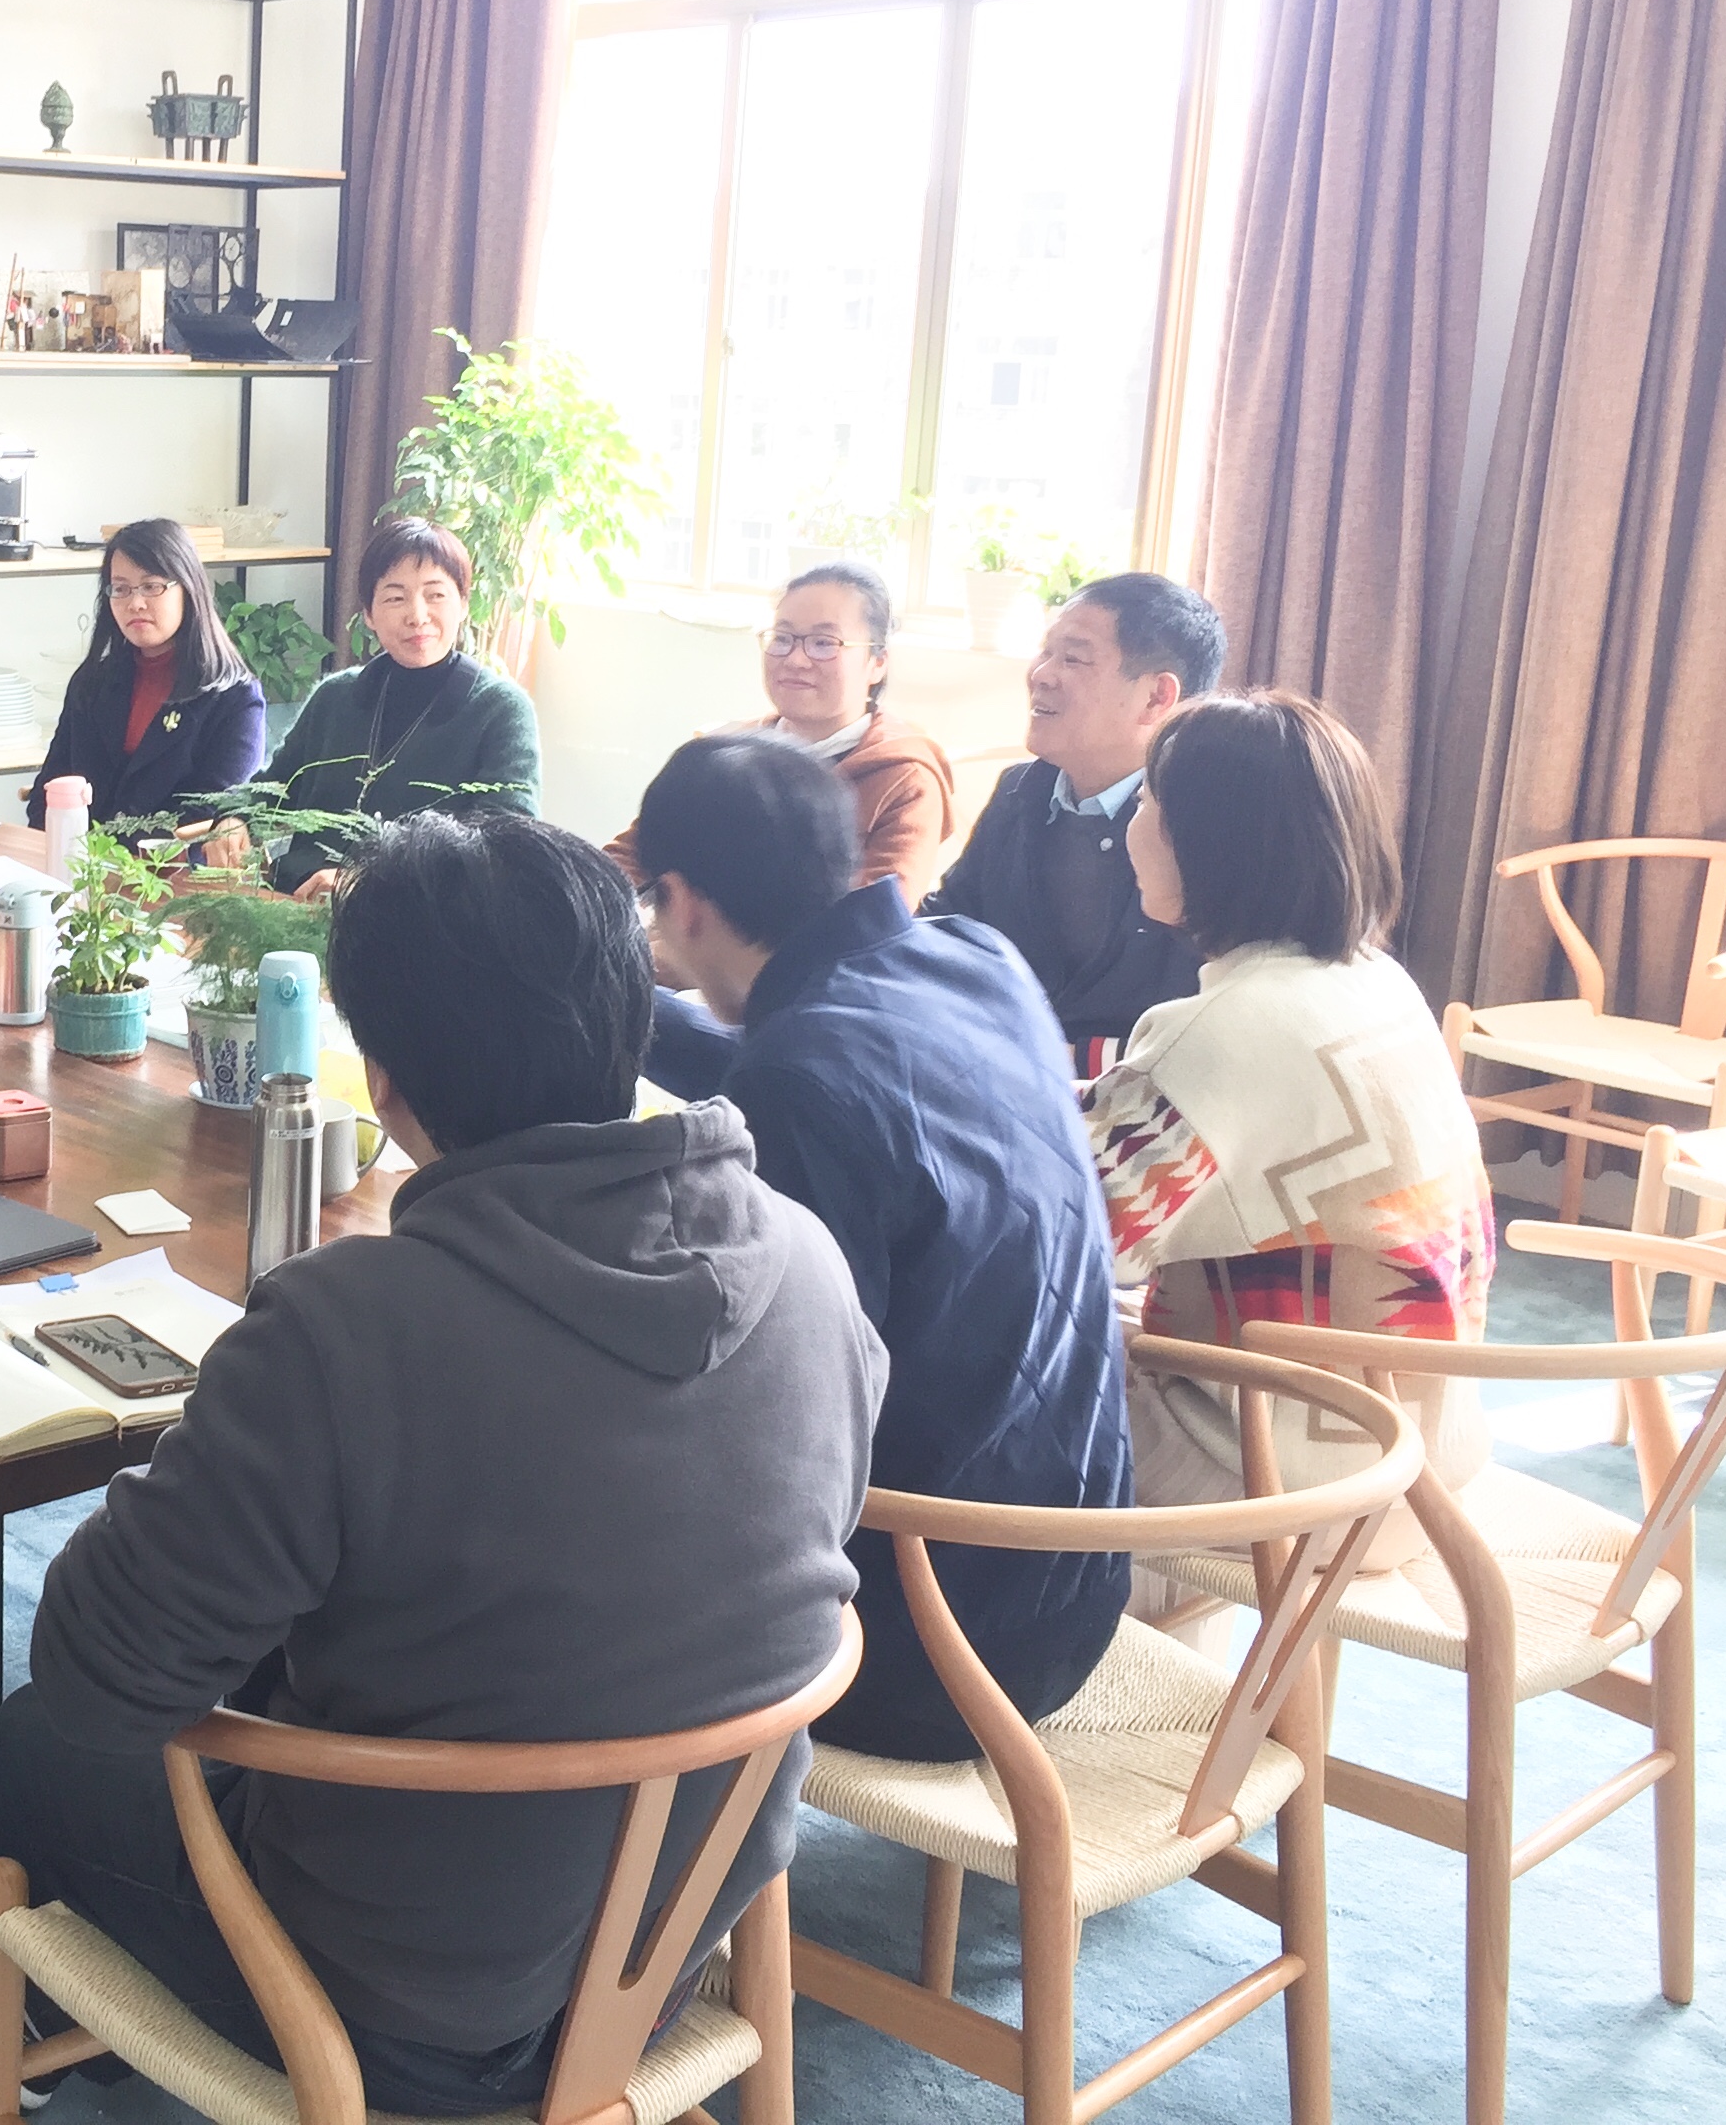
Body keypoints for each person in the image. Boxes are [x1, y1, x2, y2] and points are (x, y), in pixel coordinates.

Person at [0, 811, 885, 2115]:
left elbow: (98, 1675)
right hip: (675, 1943)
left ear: (384, 1078)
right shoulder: (807, 1260)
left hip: (395, 2008)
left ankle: (48, 2000)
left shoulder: (343, 1329)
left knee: (33, 1744)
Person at [632, 732, 1130, 1760]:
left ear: (681, 904)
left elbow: (770, 1414)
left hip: (927, 1642)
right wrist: (614, 1005)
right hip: (1074, 1574)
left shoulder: (797, 1080)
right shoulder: (974, 958)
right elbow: (808, 1058)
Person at [1089, 691, 1494, 1588]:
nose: (1132, 825)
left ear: (1210, 841)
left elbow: (1063, 1236)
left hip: (1297, 1483)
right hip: (1421, 1450)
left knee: (945, 1365)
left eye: (1149, 802)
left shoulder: (1220, 1034)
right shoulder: (1373, 981)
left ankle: (1052, 1652)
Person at [924, 572, 1221, 1076]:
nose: (1041, 674)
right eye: (1046, 652)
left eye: (1074, 658)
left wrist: (1058, 1058)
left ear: (1156, 697)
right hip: (990, 1080)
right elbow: (948, 928)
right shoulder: (1020, 792)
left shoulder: (1204, 830)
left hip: (1139, 1102)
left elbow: (1213, 1030)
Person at [211, 516, 539, 898]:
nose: (417, 615)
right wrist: (233, 817)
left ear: (463, 604)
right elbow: (272, 785)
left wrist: (365, 882)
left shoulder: (499, 709)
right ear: (368, 613)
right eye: (395, 598)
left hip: (420, 915)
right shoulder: (335, 697)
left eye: (435, 595)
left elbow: (504, 847)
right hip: (296, 904)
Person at [604, 561, 955, 893]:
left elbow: (877, 917)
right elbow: (625, 861)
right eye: (783, 638)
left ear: (877, 663)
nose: (796, 659)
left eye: (823, 643)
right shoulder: (727, 752)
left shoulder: (903, 777)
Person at [25, 518, 265, 827]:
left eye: (151, 586)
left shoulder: (234, 698)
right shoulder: (93, 682)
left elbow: (212, 813)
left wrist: (116, 852)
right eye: (121, 589)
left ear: (188, 588)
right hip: (77, 853)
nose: (135, 603)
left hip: (170, 856)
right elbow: (48, 790)